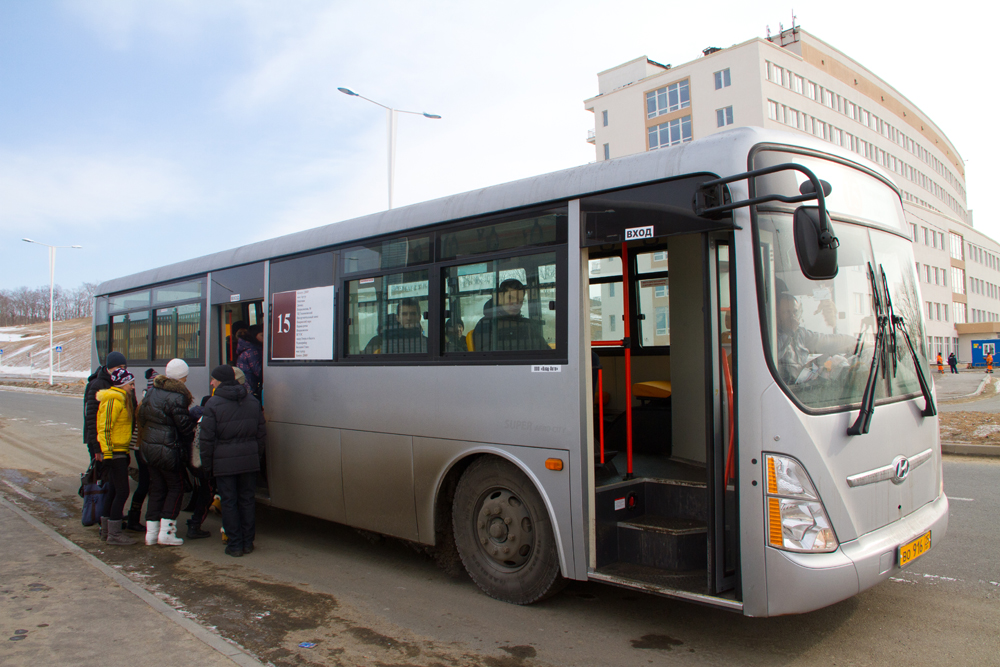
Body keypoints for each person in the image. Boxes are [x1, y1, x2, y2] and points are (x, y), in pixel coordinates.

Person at [199, 365, 267, 557]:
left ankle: (235, 544)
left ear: (220, 381)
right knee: (247, 501)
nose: (211, 382)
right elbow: (261, 434)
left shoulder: (213, 404)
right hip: (249, 461)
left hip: (224, 463)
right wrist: (256, 455)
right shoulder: (252, 401)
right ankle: (248, 542)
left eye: (213, 379)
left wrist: (207, 465)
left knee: (229, 502)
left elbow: (207, 439)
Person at [138, 358, 195, 547]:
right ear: (181, 377)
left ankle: (151, 534)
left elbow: (141, 416)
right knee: (175, 488)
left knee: (156, 489)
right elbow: (184, 427)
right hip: (169, 450)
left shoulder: (153, 391)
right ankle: (167, 532)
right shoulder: (177, 397)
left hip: (149, 448)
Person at [775, 292, 856, 384]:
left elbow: (826, 341)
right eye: (787, 312)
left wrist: (855, 342)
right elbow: (776, 353)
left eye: (795, 312)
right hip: (783, 387)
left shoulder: (801, 333)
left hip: (801, 387)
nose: (792, 317)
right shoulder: (769, 336)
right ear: (776, 314)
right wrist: (789, 333)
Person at [96, 368, 137, 546]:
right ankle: (114, 534)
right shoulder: (115, 400)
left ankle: (106, 529)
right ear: (122, 384)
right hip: (115, 453)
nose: (133, 387)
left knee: (113, 490)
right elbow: (104, 428)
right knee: (122, 491)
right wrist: (107, 454)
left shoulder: (120, 399)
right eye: (131, 384)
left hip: (119, 451)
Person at [471, 279, 548, 352]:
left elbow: (544, 349)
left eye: (520, 301)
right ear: (500, 298)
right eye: (511, 298)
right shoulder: (485, 324)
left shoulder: (526, 325)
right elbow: (488, 357)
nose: (516, 304)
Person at [84, 350, 127, 467]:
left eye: (124, 367)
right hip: (99, 442)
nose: (121, 370)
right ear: (109, 367)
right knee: (101, 476)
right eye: (118, 367)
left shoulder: (121, 383)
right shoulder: (97, 385)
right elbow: (91, 418)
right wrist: (97, 447)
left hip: (114, 442)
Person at [237, 324, 264, 401]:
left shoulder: (249, 348)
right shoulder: (252, 351)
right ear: (254, 336)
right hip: (250, 389)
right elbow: (259, 372)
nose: (265, 338)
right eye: (262, 335)